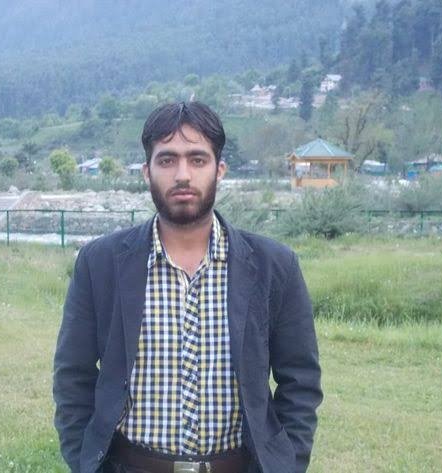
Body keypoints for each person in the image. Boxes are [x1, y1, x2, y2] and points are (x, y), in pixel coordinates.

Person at [53, 101, 322, 473]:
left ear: (219, 169)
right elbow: (73, 376)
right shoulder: (100, 264)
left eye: (197, 159)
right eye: (167, 160)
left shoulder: (274, 266)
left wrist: (286, 464)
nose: (182, 175)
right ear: (147, 171)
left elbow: (300, 381)